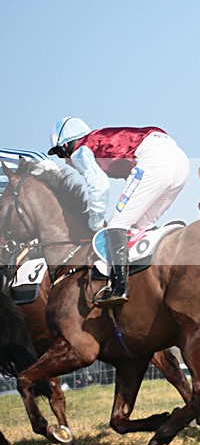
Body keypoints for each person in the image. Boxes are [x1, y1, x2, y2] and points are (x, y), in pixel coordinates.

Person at [47, 116, 189, 307]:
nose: (65, 162)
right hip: (180, 161)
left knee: (116, 225)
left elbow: (98, 186)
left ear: (65, 146)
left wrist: (95, 224)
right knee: (140, 228)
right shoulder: (100, 139)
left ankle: (119, 287)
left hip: (155, 160)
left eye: (60, 154)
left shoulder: (81, 150)